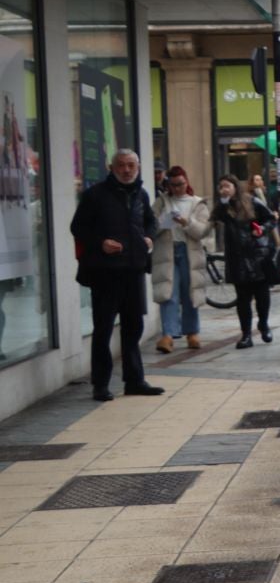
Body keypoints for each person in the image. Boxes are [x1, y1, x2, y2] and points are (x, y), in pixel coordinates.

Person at [71, 149, 163, 400]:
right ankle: (100, 384)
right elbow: (77, 227)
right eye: (121, 165)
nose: (126, 170)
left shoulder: (141, 194)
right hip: (105, 272)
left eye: (131, 165)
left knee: (133, 327)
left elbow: (151, 222)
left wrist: (148, 237)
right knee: (103, 329)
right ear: (112, 168)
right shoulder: (95, 195)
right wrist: (100, 242)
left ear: (138, 166)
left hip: (133, 270)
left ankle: (134, 380)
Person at [151, 166, 212, 352]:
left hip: (189, 251)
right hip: (167, 252)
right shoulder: (162, 202)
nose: (178, 188)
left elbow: (203, 232)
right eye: (174, 185)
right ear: (168, 185)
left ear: (187, 182)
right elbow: (151, 228)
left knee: (190, 293)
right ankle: (168, 335)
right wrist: (165, 222)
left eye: (181, 184)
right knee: (168, 293)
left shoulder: (198, 203)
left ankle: (192, 332)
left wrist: (186, 223)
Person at [214, 175, 277, 349]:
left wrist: (262, 229)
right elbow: (216, 218)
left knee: (262, 296)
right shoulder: (224, 207)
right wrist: (223, 202)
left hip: (257, 255)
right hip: (237, 258)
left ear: (235, 186)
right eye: (221, 186)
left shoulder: (252, 201)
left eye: (227, 186)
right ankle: (246, 334)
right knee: (243, 300)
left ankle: (263, 324)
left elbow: (271, 219)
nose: (224, 189)